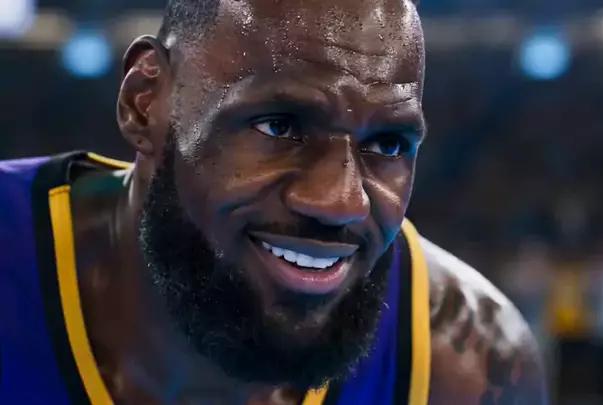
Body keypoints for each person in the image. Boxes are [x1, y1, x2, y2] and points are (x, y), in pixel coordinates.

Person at [0, 0, 547, 403]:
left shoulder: (466, 365)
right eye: (280, 125)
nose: (341, 202)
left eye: (386, 145)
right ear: (146, 103)